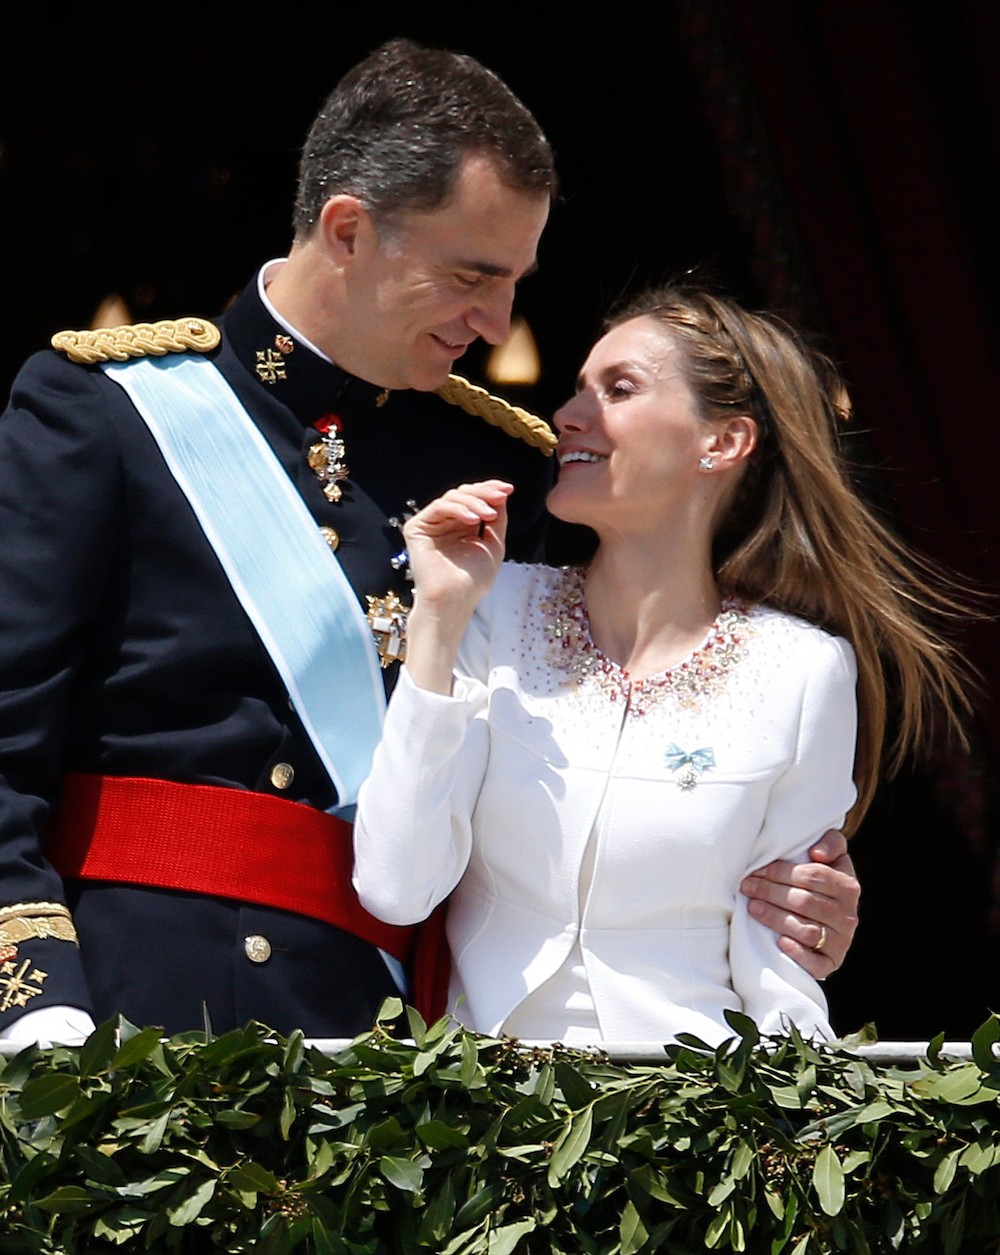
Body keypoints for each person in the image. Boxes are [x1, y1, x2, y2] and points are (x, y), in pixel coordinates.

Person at [0, 40, 855, 1047]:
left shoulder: (509, 468)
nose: (496, 324)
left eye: (514, 283)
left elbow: (598, 743)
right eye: (470, 276)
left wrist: (780, 888)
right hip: (130, 1008)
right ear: (348, 230)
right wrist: (35, 1002)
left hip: (393, 1039)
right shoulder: (106, 415)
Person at [352, 283, 972, 1045]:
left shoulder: (804, 670)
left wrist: (802, 1111)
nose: (568, 414)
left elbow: (779, 966)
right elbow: (395, 887)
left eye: (619, 389)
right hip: (478, 1096)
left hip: (694, 1098)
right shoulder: (492, 606)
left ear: (724, 442)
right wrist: (437, 619)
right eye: (579, 389)